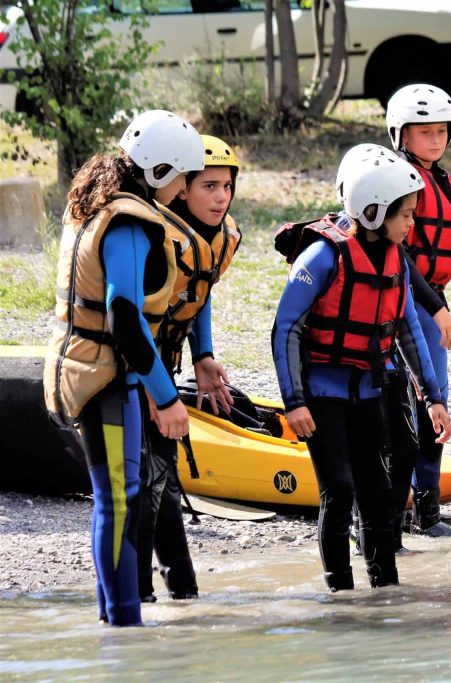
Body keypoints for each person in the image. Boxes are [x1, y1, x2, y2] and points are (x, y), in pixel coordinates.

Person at [43, 110, 205, 626]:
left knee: (124, 497)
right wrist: (167, 398)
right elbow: (125, 318)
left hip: (111, 375)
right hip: (105, 378)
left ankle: (119, 621)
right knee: (118, 501)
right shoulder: (129, 220)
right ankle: (122, 627)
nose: (183, 191)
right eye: (181, 177)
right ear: (158, 171)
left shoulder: (103, 202)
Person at [271, 145, 451, 591]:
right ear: (373, 211)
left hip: (369, 391)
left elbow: (409, 328)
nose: (412, 224)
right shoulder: (323, 258)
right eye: (405, 215)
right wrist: (294, 403)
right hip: (321, 394)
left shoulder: (395, 260)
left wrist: (433, 397)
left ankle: (385, 591)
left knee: (377, 496)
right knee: (339, 492)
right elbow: (285, 330)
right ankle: (339, 592)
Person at [135, 134, 243, 603]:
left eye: (227, 187)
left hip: (163, 364)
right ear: (181, 188)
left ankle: (181, 592)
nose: (221, 197)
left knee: (162, 474)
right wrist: (157, 393)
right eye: (208, 186)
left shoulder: (215, 238)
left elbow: (200, 290)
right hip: (130, 368)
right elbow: (127, 319)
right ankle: (136, 595)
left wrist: (203, 356)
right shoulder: (154, 234)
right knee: (146, 481)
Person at [385, 83, 451, 536]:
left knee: (437, 403)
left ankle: (428, 512)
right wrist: (437, 310)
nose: (435, 140)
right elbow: (400, 256)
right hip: (405, 304)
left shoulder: (441, 181)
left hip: (431, 299)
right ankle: (402, 511)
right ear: (401, 135)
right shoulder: (396, 183)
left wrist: (438, 305)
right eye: (424, 132)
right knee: (414, 404)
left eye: (441, 131)